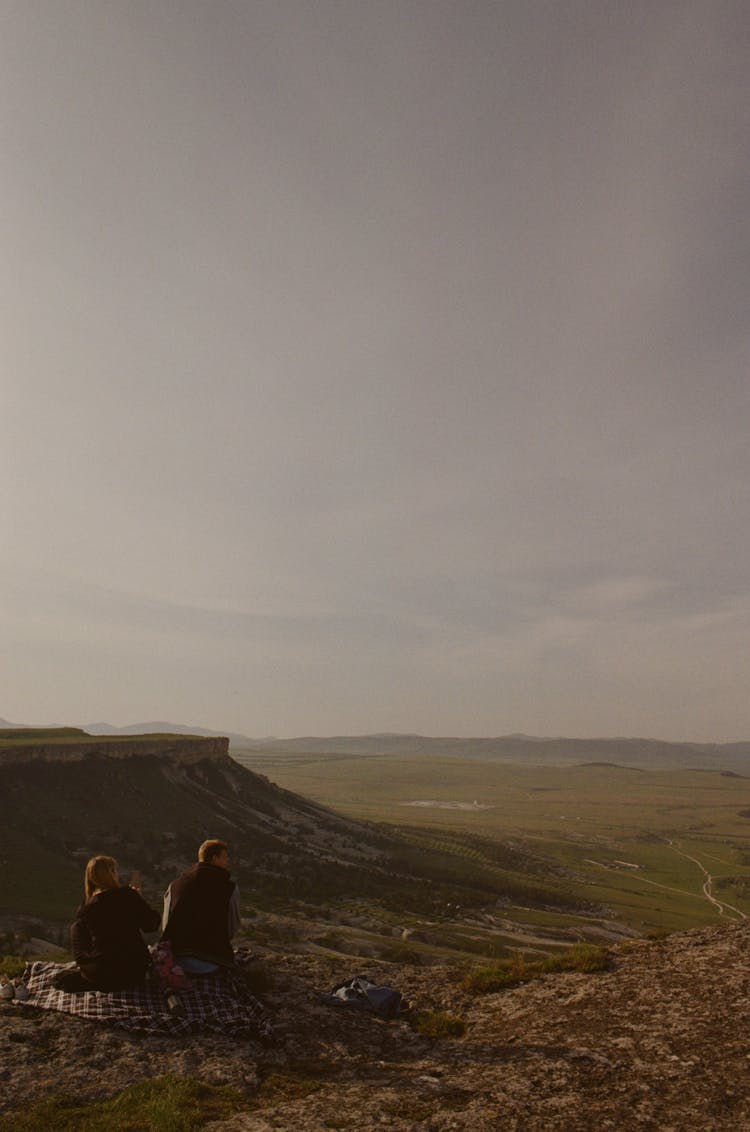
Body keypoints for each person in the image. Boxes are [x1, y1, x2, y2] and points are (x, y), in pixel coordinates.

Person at [54, 855, 160, 992]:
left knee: (77, 928)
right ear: (111, 873)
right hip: (135, 971)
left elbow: (82, 946)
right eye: (115, 871)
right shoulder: (128, 895)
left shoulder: (86, 908)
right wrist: (140, 900)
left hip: (102, 974)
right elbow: (151, 925)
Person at [160, 839, 240, 973]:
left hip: (177, 960)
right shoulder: (229, 887)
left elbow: (166, 923)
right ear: (215, 858)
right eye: (225, 857)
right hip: (213, 961)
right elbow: (232, 926)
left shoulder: (174, 885)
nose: (227, 861)